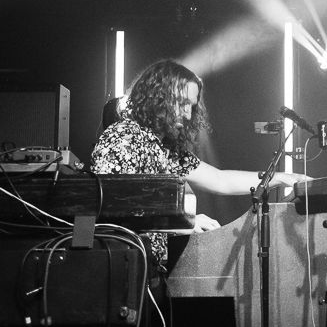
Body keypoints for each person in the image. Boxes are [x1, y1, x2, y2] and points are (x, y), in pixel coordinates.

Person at [91, 59, 308, 266]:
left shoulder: (166, 149)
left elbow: (220, 179)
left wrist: (280, 178)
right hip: (118, 265)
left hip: (145, 266)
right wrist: (184, 222)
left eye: (191, 106)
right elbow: (110, 204)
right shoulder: (123, 136)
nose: (187, 114)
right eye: (182, 103)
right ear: (158, 97)